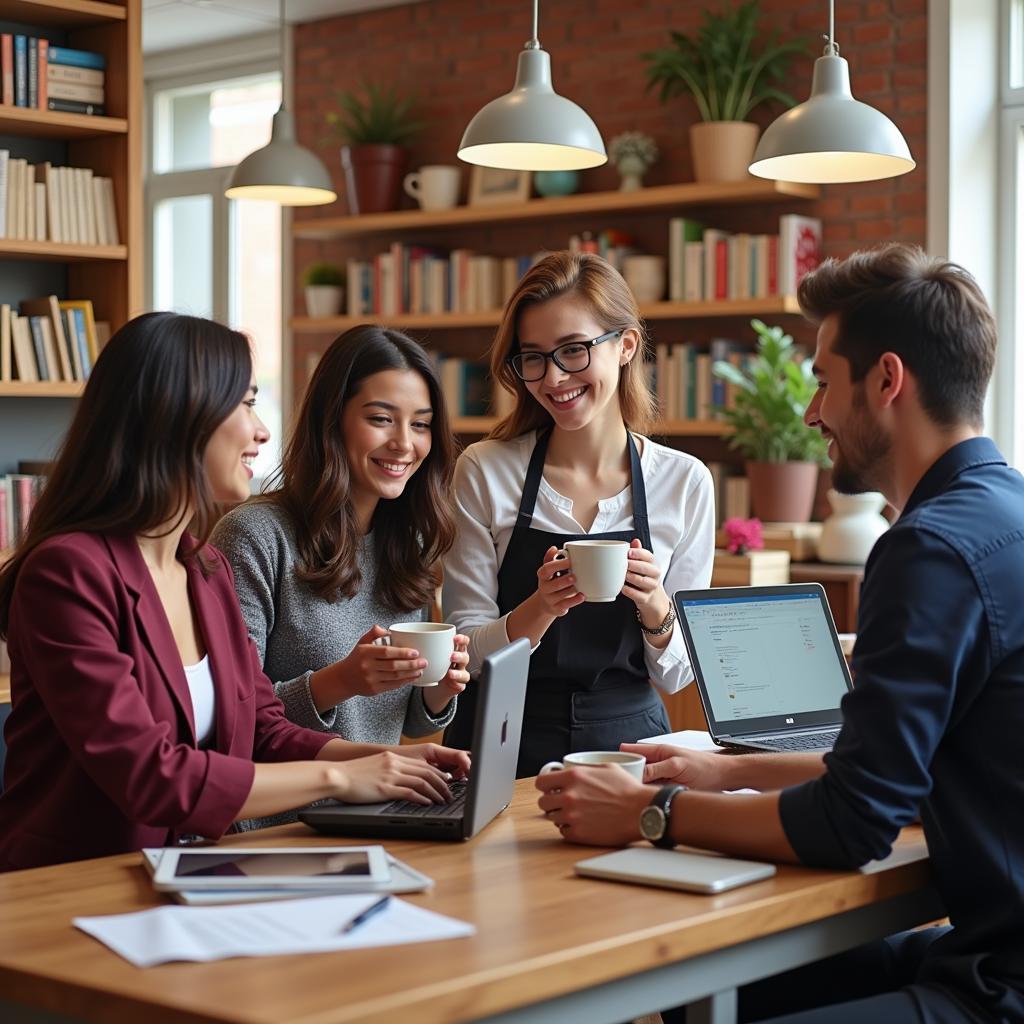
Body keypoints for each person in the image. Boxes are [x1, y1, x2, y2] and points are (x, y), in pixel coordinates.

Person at [535, 243, 1024, 1022]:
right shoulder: (1007, 514)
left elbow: (852, 822)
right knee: (720, 985)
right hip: (985, 946)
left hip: (997, 987)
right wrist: (720, 775)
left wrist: (647, 813)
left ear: (888, 380)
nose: (810, 412)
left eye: (825, 382)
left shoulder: (928, 548)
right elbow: (897, 776)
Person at [0, 312, 469, 872]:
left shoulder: (205, 569)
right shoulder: (68, 572)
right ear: (176, 416)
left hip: (190, 872)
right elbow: (151, 776)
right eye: (244, 404)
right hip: (75, 888)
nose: (263, 431)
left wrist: (392, 759)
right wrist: (344, 775)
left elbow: (263, 727)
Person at [443, 251, 715, 777]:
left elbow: (680, 675)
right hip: (499, 741)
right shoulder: (484, 470)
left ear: (626, 346)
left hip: (629, 745)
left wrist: (656, 606)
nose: (553, 378)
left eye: (573, 350)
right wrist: (541, 607)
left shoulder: (683, 482)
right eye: (534, 358)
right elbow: (467, 654)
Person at [211, 325, 469, 827]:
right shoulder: (255, 536)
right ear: (332, 421)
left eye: (420, 425)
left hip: (380, 816)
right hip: (279, 830)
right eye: (380, 419)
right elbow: (232, 722)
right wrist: (340, 682)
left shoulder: (405, 543)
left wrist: (439, 690)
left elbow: (407, 723)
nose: (404, 444)